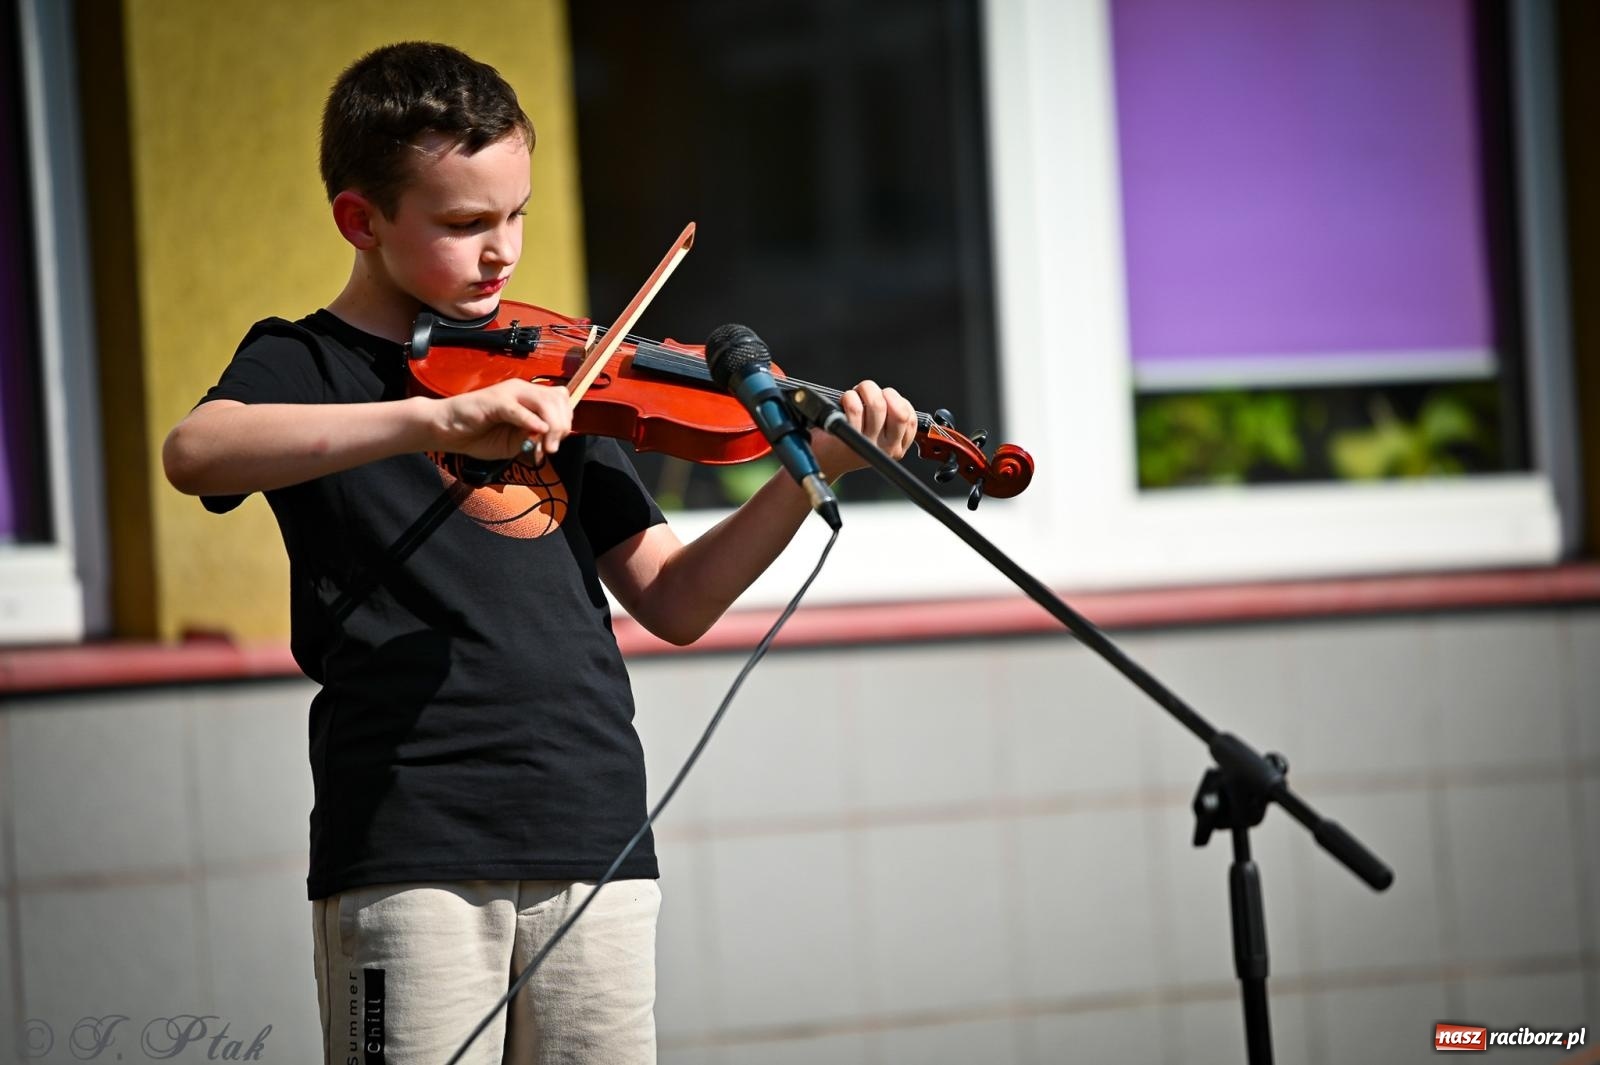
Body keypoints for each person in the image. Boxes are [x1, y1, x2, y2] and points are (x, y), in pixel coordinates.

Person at [162, 40, 916, 1065]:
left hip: (590, 829)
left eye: (515, 214)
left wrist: (805, 470)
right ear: (361, 219)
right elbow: (197, 453)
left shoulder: (556, 372)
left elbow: (676, 599)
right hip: (409, 839)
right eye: (466, 223)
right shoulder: (307, 362)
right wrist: (428, 421)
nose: (502, 252)